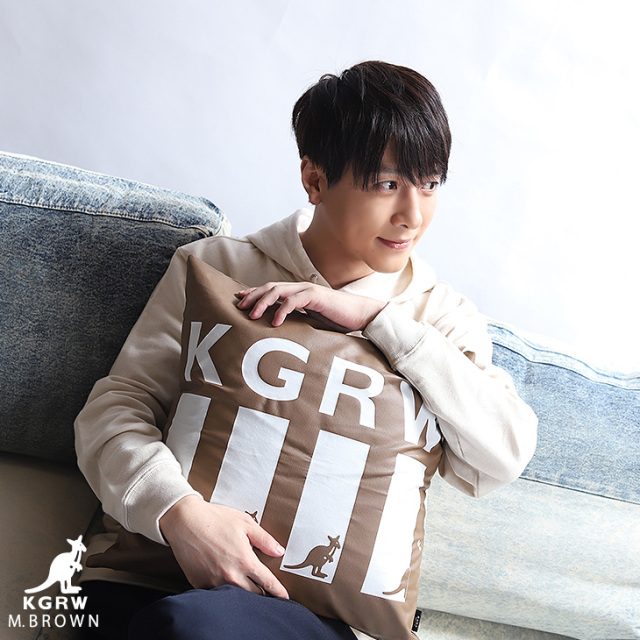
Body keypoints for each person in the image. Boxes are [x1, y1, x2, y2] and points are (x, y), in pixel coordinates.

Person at [75, 60, 538, 639]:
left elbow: (501, 456)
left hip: (312, 619)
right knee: (187, 624)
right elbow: (114, 412)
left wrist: (378, 320)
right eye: (387, 184)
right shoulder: (216, 267)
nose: (413, 215)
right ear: (315, 180)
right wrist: (180, 515)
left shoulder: (439, 319)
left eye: (430, 183)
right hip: (147, 585)